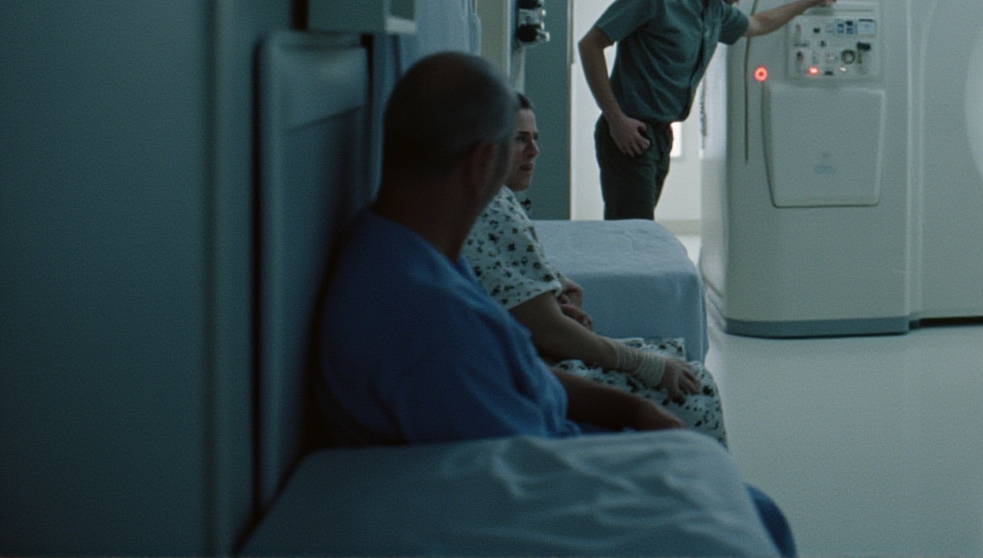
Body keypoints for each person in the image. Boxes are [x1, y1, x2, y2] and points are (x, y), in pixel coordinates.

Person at [316, 53, 793, 556]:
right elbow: (522, 475)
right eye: (514, 146)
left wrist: (630, 406)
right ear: (483, 164)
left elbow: (523, 373)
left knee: (746, 501)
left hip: (547, 433)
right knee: (753, 517)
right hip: (544, 464)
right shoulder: (433, 326)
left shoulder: (405, 248)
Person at [462, 93, 728, 441]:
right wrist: (644, 364)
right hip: (532, 368)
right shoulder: (489, 214)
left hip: (533, 353)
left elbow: (513, 289)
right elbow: (548, 329)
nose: (534, 152)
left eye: (536, 139)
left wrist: (554, 287)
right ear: (484, 145)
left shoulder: (494, 200)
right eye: (520, 140)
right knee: (698, 389)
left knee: (676, 353)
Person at [580, 0, 837, 219]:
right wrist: (616, 120)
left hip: (660, 136)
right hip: (630, 131)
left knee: (639, 233)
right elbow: (590, 44)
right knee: (631, 237)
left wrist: (812, 1)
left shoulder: (715, 11)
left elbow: (757, 24)